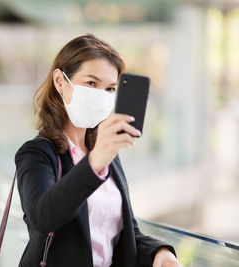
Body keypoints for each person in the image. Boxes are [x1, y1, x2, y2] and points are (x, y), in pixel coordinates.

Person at [15, 34, 183, 267]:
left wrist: (160, 254)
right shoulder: (36, 154)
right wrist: (94, 163)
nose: (101, 95)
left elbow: (125, 231)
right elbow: (43, 218)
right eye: (91, 83)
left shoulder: (107, 155)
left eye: (110, 88)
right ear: (60, 82)